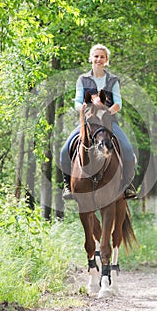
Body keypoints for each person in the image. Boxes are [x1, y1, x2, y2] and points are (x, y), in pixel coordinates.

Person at [60, 44, 136, 200]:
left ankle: (127, 185)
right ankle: (68, 185)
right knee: (64, 150)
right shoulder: (82, 79)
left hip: (108, 123)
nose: (98, 59)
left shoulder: (113, 80)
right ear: (91, 58)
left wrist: (105, 112)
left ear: (106, 60)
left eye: (102, 56)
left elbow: (118, 103)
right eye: (96, 56)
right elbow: (77, 102)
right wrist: (88, 111)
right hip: (89, 122)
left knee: (128, 149)